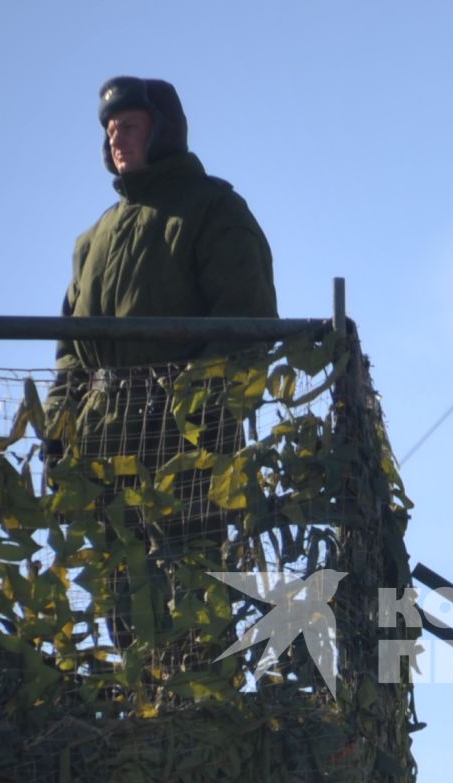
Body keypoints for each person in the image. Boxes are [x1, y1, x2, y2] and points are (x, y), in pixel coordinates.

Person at [47, 76, 279, 656]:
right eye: (109, 128)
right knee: (122, 590)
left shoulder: (214, 209)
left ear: (163, 130)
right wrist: (59, 429)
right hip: (106, 441)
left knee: (193, 587)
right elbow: (70, 349)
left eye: (128, 125)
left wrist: (191, 409)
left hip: (188, 447)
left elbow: (246, 324)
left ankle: (203, 718)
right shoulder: (92, 239)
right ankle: (143, 716)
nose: (115, 137)